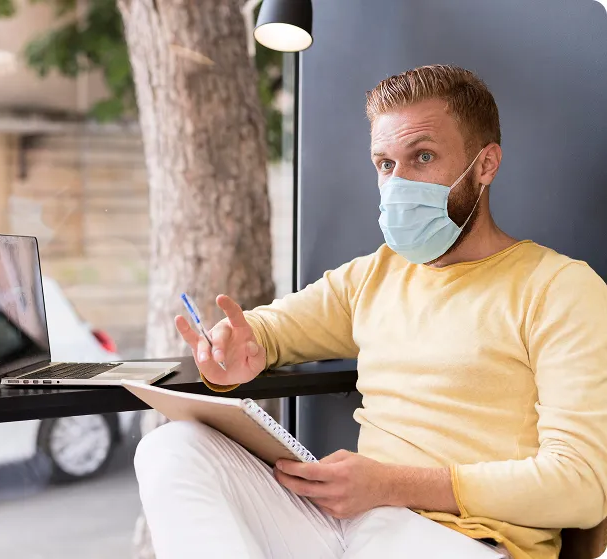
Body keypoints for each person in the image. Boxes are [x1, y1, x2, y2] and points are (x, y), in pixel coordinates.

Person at [133, 65, 607, 559]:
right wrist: (240, 345)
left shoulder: (560, 288)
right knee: (172, 448)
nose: (398, 183)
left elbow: (582, 485)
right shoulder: (375, 275)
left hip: (462, 541)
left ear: (485, 164)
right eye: (385, 164)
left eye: (422, 156)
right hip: (349, 525)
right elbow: (272, 329)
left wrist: (392, 485)